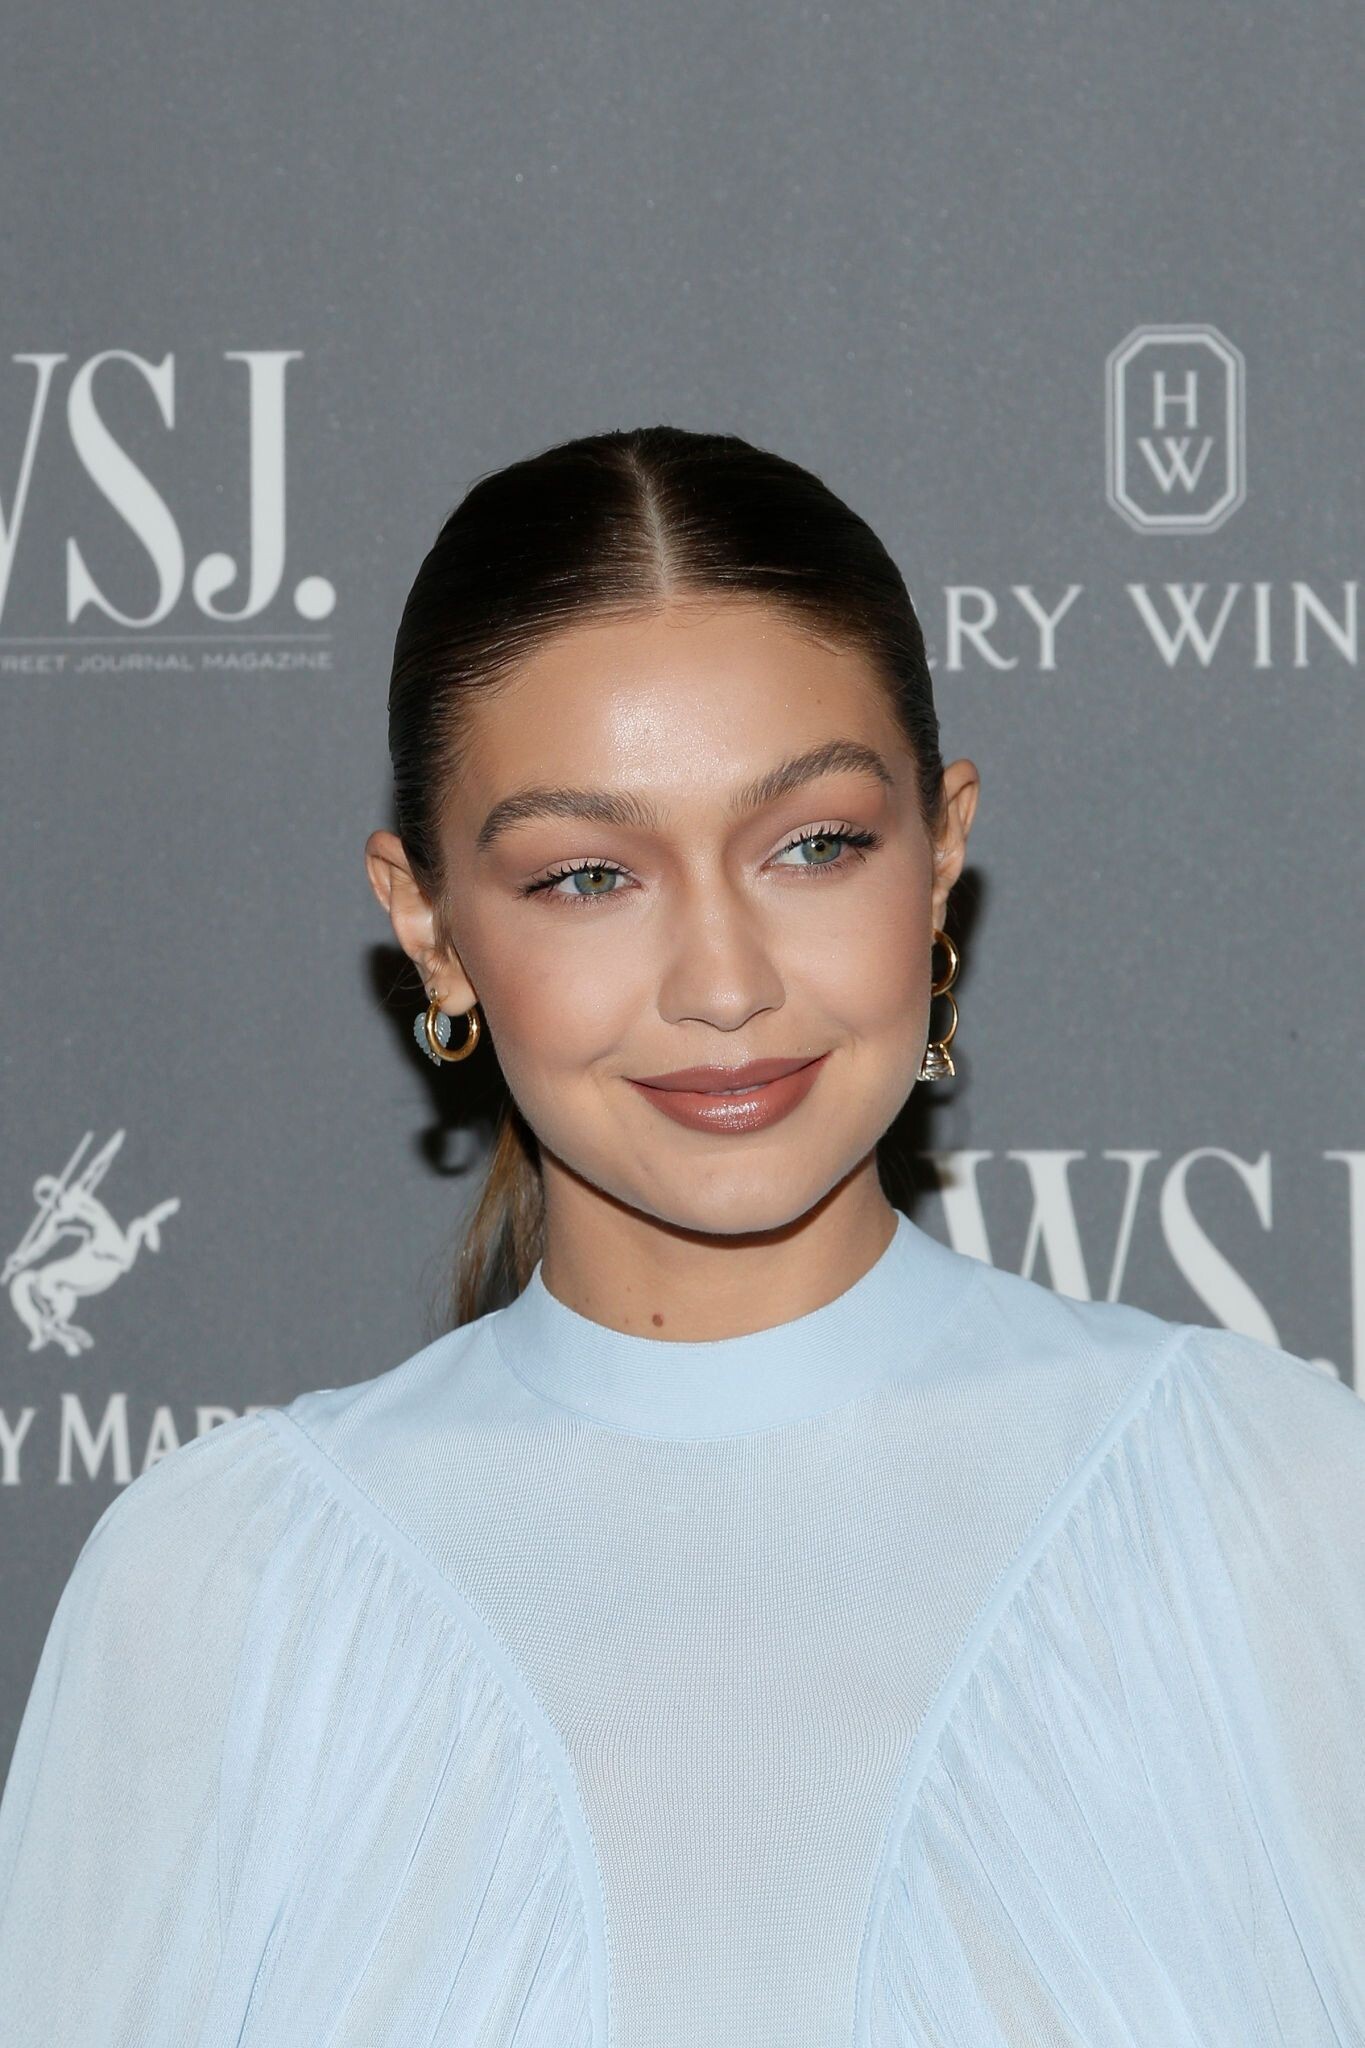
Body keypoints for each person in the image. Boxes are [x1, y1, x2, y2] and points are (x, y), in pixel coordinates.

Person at [1, 425, 1362, 2046]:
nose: (723, 983)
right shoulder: (223, 1596)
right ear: (428, 925)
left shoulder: (1272, 1509)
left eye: (812, 846)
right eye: (588, 876)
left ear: (938, 855)